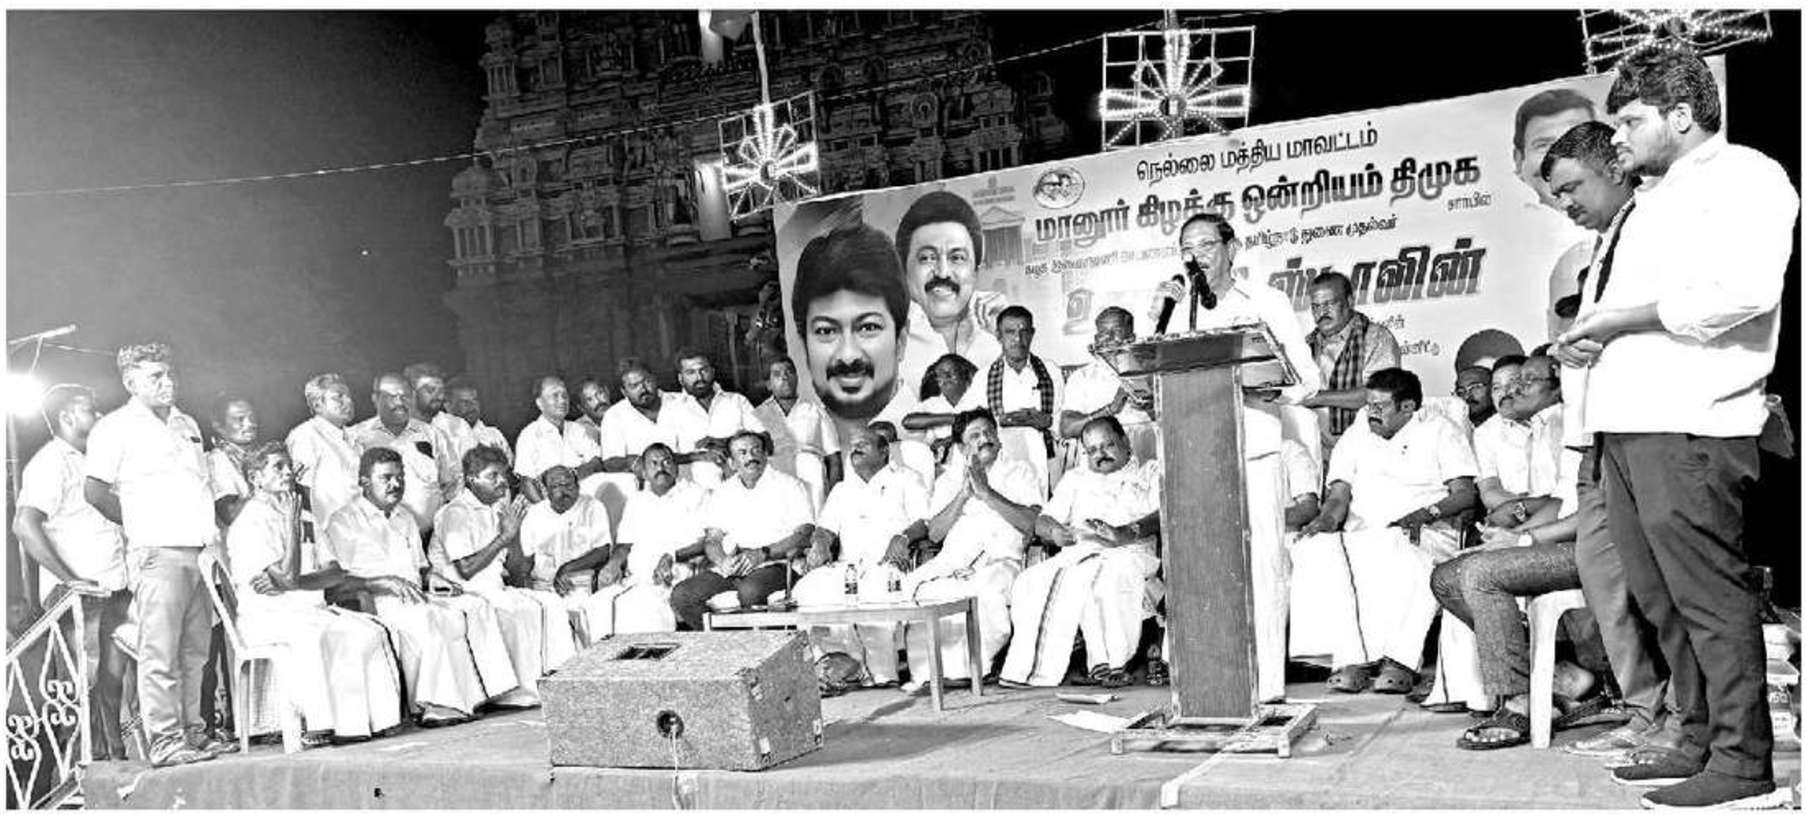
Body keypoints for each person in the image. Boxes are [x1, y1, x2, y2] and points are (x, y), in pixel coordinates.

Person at [1553, 50, 1797, 808]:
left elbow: (1744, 292)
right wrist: (1589, 338)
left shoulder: (1746, 177)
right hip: (1626, 426)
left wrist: (1621, 320)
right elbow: (1628, 310)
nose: (1618, 137)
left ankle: (1743, 764)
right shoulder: (1653, 200)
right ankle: (1694, 736)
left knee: (1708, 599)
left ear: (1682, 116)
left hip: (1691, 423)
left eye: (1631, 121)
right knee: (1659, 600)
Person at [1539, 120, 1673, 762]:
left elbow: (1681, 315)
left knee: (1656, 590)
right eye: (1557, 194)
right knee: (1605, 584)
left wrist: (1604, 333)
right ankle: (1645, 709)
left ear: (1615, 169)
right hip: (1594, 442)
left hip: (1644, 432)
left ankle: (1678, 718)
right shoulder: (1601, 245)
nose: (1565, 203)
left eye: (1572, 187)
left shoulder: (1655, 225)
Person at [1149, 211, 1324, 702]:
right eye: (1187, 248)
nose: (1195, 257)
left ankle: (1265, 689)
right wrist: (1157, 312)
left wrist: (1271, 389)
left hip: (1252, 450)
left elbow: (1308, 379)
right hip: (1193, 454)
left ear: (1232, 249)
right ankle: (1206, 683)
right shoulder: (1177, 309)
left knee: (1260, 568)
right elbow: (1153, 373)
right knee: (1201, 567)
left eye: (1205, 245)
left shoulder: (1265, 301)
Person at [83, 342, 235, 767]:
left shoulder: (187, 423)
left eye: (170, 374)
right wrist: (141, 524)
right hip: (159, 552)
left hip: (199, 552)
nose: (168, 382)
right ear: (131, 382)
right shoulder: (115, 428)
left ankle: (193, 732)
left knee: (195, 653)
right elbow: (94, 491)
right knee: (161, 652)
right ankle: (165, 740)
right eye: (156, 376)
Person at [1288, 368, 1479, 696]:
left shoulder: (1440, 430)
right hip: (1362, 533)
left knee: (1403, 554)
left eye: (1380, 406)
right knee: (1311, 549)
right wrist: (1324, 522)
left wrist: (1425, 514)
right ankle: (1351, 660)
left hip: (1426, 529)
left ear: (1408, 407)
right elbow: (1338, 496)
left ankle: (1400, 661)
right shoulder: (1357, 434)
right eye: (1369, 405)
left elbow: (1464, 495)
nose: (1371, 413)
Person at [321, 447, 519, 725]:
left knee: (473, 607)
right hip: (374, 601)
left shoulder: (404, 517)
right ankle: (436, 705)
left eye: (400, 477)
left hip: (414, 595)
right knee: (433, 620)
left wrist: (434, 578)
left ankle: (483, 695)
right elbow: (335, 584)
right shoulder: (344, 521)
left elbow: (421, 568)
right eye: (386, 478)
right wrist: (380, 583)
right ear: (364, 482)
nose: (396, 484)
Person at [224, 442, 403, 741]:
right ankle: (319, 725)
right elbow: (285, 575)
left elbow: (334, 573)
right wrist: (291, 529)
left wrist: (296, 583)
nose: (288, 472)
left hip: (310, 609)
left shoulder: (306, 516)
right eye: (278, 467)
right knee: (313, 636)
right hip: (266, 616)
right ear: (256, 478)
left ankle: (366, 724)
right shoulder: (249, 522)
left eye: (289, 465)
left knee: (367, 632)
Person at [999, 417, 1162, 689]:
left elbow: (1162, 514)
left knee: (1105, 578)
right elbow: (1043, 520)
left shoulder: (1149, 473)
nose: (1101, 455)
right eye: (1092, 450)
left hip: (1130, 550)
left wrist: (1125, 532)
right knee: (1029, 582)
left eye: (1108, 445)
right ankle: (1029, 668)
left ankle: (1113, 664)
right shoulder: (1075, 479)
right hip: (1079, 552)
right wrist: (1055, 533)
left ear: (1125, 442)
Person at [13, 383, 130, 760]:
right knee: (84, 684)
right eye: (90, 410)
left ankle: (115, 759)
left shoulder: (95, 461)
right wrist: (69, 580)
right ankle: (83, 768)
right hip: (81, 597)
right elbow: (24, 525)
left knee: (113, 684)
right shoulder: (51, 462)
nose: (99, 416)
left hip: (114, 586)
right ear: (66, 417)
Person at [900, 409, 1040, 690]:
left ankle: (976, 667)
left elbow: (1032, 523)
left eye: (989, 432)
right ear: (962, 448)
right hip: (952, 561)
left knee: (985, 590)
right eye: (975, 435)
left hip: (1000, 559)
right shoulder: (949, 480)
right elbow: (935, 533)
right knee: (915, 586)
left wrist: (987, 493)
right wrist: (964, 494)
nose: (985, 438)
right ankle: (928, 672)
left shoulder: (1020, 471)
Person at [432, 445, 577, 704]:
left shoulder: (497, 509)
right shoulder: (455, 512)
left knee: (551, 602)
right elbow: (466, 570)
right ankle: (517, 693)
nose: (502, 482)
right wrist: (505, 536)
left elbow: (514, 564)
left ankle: (560, 684)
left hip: (494, 587)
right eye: (493, 476)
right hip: (462, 592)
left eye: (503, 475)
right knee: (517, 609)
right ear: (471, 480)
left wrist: (515, 535)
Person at [792, 425, 930, 687]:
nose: (854, 449)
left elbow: (924, 522)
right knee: (808, 590)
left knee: (875, 595)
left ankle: (882, 674)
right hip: (847, 567)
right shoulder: (842, 489)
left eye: (863, 444)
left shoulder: (907, 479)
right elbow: (825, 528)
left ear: (884, 450)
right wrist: (820, 543)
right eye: (853, 445)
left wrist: (903, 537)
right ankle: (839, 663)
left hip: (888, 564)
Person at [668, 431, 815, 630]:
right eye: (742, 453)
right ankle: (727, 642)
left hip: (776, 563)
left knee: (750, 591)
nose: (751, 457)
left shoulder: (789, 485)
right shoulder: (723, 492)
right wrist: (722, 560)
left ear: (765, 455)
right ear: (731, 463)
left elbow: (805, 534)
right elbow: (712, 539)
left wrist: (762, 554)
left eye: (756, 450)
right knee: (682, 595)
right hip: (734, 565)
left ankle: (763, 644)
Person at [790, 222, 913, 431]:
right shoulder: (794, 434)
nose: (848, 356)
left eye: (868, 328)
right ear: (805, 345)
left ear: (901, 340)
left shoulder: (936, 430)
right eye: (826, 331)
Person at [1508, 88, 1605, 340]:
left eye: (1575, 141)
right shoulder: (1509, 239)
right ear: (1519, 160)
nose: (1559, 157)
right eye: (1544, 145)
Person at [893, 190, 1004, 407]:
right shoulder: (886, 337)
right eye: (927, 258)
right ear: (903, 267)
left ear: (976, 269)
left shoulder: (997, 328)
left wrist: (1005, 338)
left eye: (957, 258)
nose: (943, 272)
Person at [588, 444, 708, 636]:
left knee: (646, 608)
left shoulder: (695, 494)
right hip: (636, 577)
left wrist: (672, 557)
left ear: (676, 468)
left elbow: (705, 543)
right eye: (654, 463)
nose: (661, 467)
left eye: (667, 462)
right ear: (643, 473)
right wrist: (614, 563)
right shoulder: (636, 501)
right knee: (598, 603)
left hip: (676, 574)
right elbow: (624, 545)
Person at [1299, 272, 1402, 457]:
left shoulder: (1376, 338)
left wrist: (1317, 397)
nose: (1321, 313)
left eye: (1329, 304)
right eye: (1315, 307)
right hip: (1318, 455)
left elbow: (1379, 395)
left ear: (1349, 301)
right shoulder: (1306, 345)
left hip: (1368, 452)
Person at [351, 372, 461, 536]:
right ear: (375, 399)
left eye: (405, 396)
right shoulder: (357, 437)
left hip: (430, 537)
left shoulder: (432, 435)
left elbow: (453, 483)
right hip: (376, 537)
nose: (399, 402)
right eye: (391, 397)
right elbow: (350, 491)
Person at [982, 306, 1062, 499]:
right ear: (998, 335)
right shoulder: (984, 376)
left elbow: (1063, 419)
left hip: (1046, 459)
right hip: (1003, 464)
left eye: (1024, 331)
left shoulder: (1050, 371)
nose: (1018, 339)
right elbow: (974, 423)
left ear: (1032, 334)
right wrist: (1002, 421)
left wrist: (1047, 421)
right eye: (1010, 332)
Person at [1059, 307, 1157, 463]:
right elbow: (1067, 428)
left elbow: (1176, 421)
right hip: (1100, 467)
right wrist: (1110, 409)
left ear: (1131, 338)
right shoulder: (1081, 377)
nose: (1109, 338)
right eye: (1103, 333)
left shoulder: (1153, 374)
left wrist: (1151, 408)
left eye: (1116, 331)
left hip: (1145, 462)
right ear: (1096, 339)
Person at [752, 356, 842, 511]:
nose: (785, 377)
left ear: (797, 377)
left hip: (812, 478)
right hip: (776, 479)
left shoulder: (815, 411)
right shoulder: (758, 415)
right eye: (777, 374)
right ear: (768, 384)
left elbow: (834, 459)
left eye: (789, 372)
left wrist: (834, 500)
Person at [667, 348, 765, 488]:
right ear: (680, 378)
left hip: (743, 487)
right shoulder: (671, 410)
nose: (699, 377)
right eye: (691, 372)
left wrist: (725, 443)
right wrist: (700, 456)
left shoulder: (737, 401)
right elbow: (664, 456)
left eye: (703, 370)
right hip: (695, 491)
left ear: (712, 371)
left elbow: (765, 439)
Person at [285, 373, 364, 533]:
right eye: (338, 397)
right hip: (327, 530)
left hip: (360, 528)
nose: (348, 402)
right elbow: (300, 491)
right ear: (317, 405)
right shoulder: (306, 436)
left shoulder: (354, 438)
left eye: (349, 396)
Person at [513, 375, 605, 503]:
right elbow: (526, 483)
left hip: (582, 496)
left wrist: (577, 474)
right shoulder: (530, 435)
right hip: (547, 502)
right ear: (540, 403)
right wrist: (547, 510)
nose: (562, 400)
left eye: (564, 395)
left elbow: (597, 460)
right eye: (555, 396)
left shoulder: (577, 429)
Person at [901, 353, 983, 474]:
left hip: (976, 468)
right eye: (940, 375)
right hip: (942, 472)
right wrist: (955, 419)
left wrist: (949, 440)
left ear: (964, 375)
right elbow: (908, 422)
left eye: (951, 372)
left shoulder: (979, 400)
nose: (945, 378)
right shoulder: (931, 404)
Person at [204, 392, 260, 527]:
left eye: (252, 417)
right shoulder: (216, 461)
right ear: (219, 426)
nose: (250, 424)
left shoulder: (261, 455)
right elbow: (231, 514)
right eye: (240, 419)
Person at [405, 362, 472, 464]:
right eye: (431, 390)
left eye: (441, 390)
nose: (438, 396)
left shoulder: (458, 426)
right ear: (411, 392)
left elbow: (474, 467)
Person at [445, 376, 511, 463]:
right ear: (448, 407)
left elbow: (510, 467)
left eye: (475, 400)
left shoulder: (494, 434)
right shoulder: (441, 439)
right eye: (464, 402)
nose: (472, 406)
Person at [572, 378, 612, 449]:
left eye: (600, 393)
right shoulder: (581, 429)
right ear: (581, 408)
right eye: (589, 399)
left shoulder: (624, 413)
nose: (598, 401)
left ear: (607, 392)